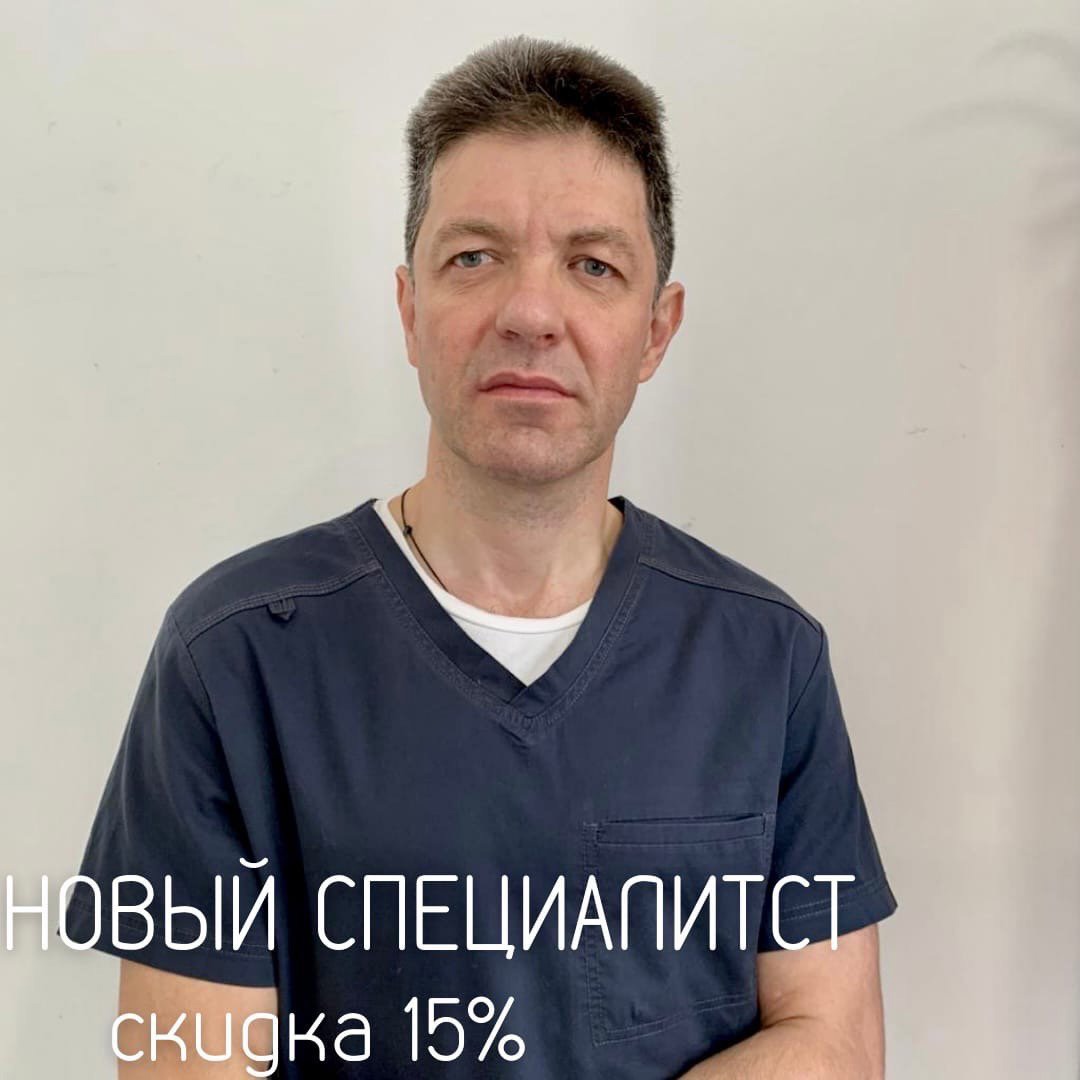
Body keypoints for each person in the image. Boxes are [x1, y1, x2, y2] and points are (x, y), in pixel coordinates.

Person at [65, 34, 897, 1078]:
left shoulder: (766, 659)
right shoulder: (233, 659)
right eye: (475, 257)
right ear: (410, 309)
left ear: (656, 331)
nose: (531, 314)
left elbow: (834, 1040)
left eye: (593, 266)